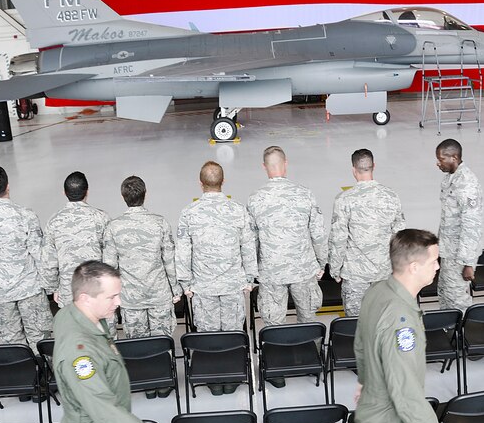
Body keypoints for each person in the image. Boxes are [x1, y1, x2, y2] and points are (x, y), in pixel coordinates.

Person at [53, 261, 178, 423]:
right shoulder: (79, 354)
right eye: (112, 297)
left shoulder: (78, 315)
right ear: (85, 298)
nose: (119, 302)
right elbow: (101, 408)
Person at [347, 229, 451, 423]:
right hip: (389, 421)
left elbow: (361, 342)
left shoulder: (378, 292)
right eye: (434, 261)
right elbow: (403, 387)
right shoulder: (400, 320)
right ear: (414, 267)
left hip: (403, 415)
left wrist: (364, 379)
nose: (438, 266)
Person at [0, 165, 52, 353]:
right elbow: (40, 254)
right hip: (29, 288)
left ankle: (25, 376)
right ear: (8, 186)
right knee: (40, 340)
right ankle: (47, 377)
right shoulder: (25, 215)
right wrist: (50, 285)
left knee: (13, 344)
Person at [175, 162, 256, 348]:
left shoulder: (189, 213)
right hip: (233, 286)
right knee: (233, 336)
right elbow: (248, 246)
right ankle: (235, 373)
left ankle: (211, 372)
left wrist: (185, 284)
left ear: (200, 183)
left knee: (207, 338)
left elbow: (183, 251)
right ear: (223, 181)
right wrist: (249, 279)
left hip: (203, 288)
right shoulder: (238, 210)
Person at [248, 146, 327, 327]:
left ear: (264, 166)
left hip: (271, 272)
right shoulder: (305, 194)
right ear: (286, 164)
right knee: (308, 322)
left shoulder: (255, 199)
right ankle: (311, 353)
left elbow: (252, 241)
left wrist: (253, 272)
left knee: (274, 325)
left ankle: (276, 354)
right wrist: (321, 263)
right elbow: (318, 234)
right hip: (303, 269)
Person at [329, 149, 405, 317]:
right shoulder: (391, 196)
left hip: (355, 275)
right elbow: (399, 234)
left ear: (353, 170)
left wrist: (335, 269)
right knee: (384, 322)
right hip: (384, 273)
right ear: (373, 166)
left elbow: (338, 238)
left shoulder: (344, 199)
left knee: (356, 325)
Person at [107, 176, 181, 342]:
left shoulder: (114, 227)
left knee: (137, 349)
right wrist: (176, 290)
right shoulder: (160, 223)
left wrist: (112, 295)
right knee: (162, 347)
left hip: (131, 299)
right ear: (145, 195)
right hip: (159, 296)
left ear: (123, 197)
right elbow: (169, 260)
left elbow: (110, 266)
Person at [40, 171, 115, 309]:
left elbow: (48, 261)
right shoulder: (101, 218)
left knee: (73, 329)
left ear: (64, 192)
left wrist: (53, 289)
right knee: (101, 329)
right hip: (98, 291)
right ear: (87, 191)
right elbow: (111, 258)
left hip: (69, 292)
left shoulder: (54, 222)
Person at [435, 139, 483, 311]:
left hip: (460, 255)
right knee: (445, 293)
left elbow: (472, 225)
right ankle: (449, 330)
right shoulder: (451, 178)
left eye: (441, 159)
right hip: (449, 251)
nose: (438, 163)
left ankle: (461, 333)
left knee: (457, 299)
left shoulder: (466, 184)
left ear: (454, 157)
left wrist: (468, 263)